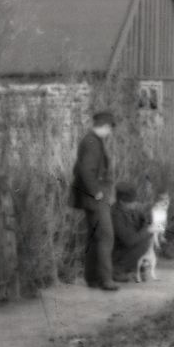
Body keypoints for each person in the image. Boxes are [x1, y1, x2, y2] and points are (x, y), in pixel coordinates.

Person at [71, 108, 120, 291]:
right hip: (96, 198)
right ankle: (106, 280)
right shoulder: (93, 143)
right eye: (110, 128)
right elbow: (85, 170)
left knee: (95, 237)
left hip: (91, 197)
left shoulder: (91, 140)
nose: (110, 132)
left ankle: (91, 278)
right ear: (105, 126)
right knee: (106, 237)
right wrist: (96, 192)